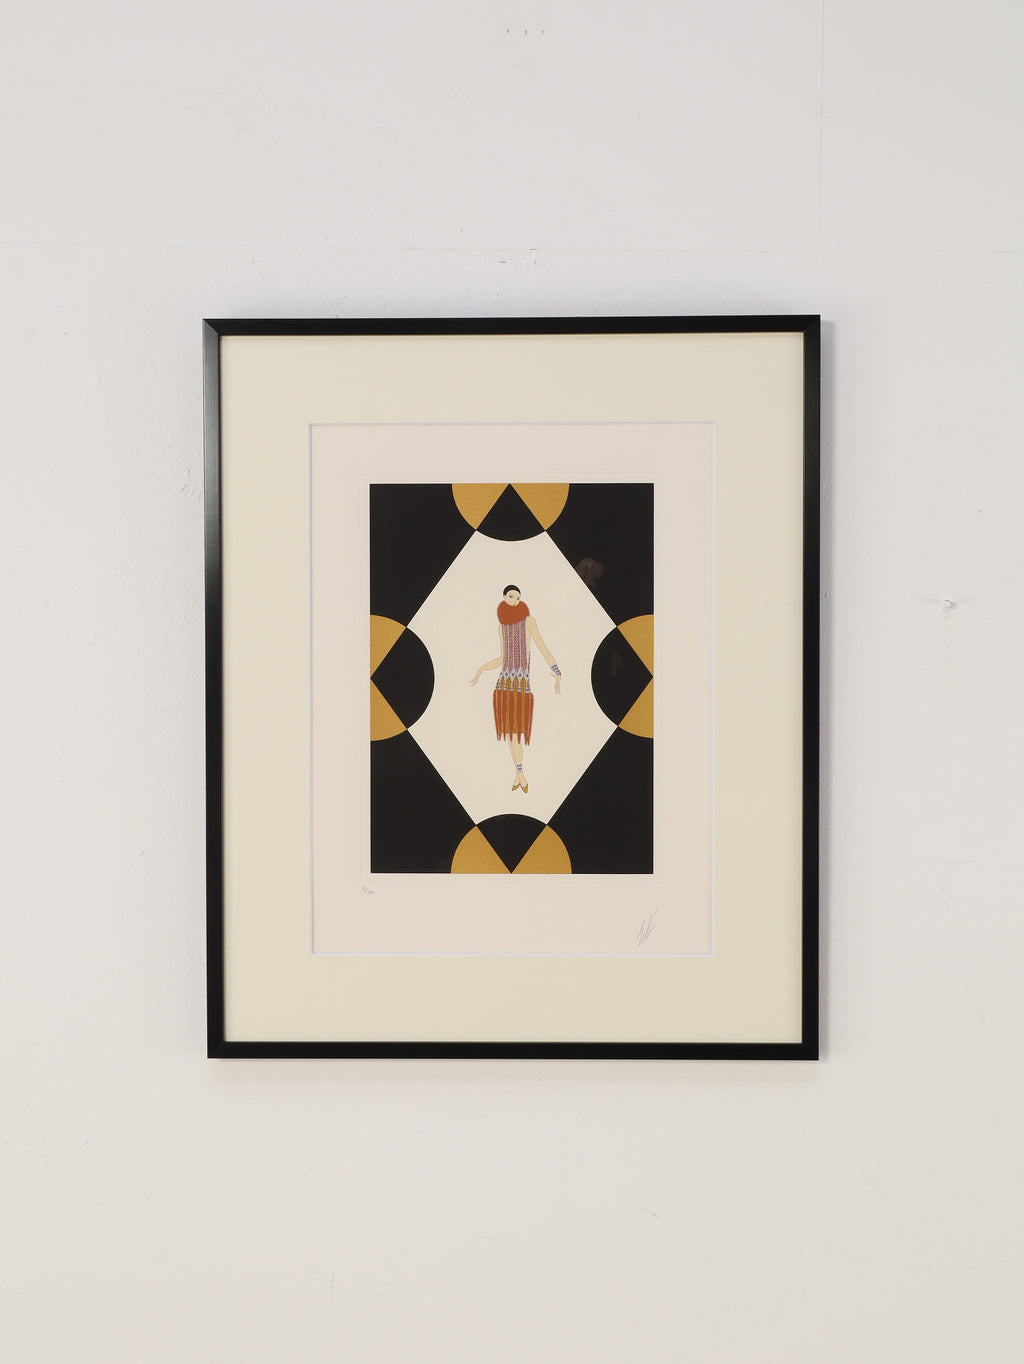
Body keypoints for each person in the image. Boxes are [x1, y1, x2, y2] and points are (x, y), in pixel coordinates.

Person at [470, 585, 561, 792]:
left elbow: (542, 647)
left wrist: (556, 671)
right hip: (503, 687)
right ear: (504, 597)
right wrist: (481, 670)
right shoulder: (501, 627)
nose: (514, 600)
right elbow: (502, 659)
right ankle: (519, 772)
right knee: (511, 734)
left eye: (518, 597)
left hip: (521, 688)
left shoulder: (529, 622)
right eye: (511, 596)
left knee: (517, 732)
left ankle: (520, 773)